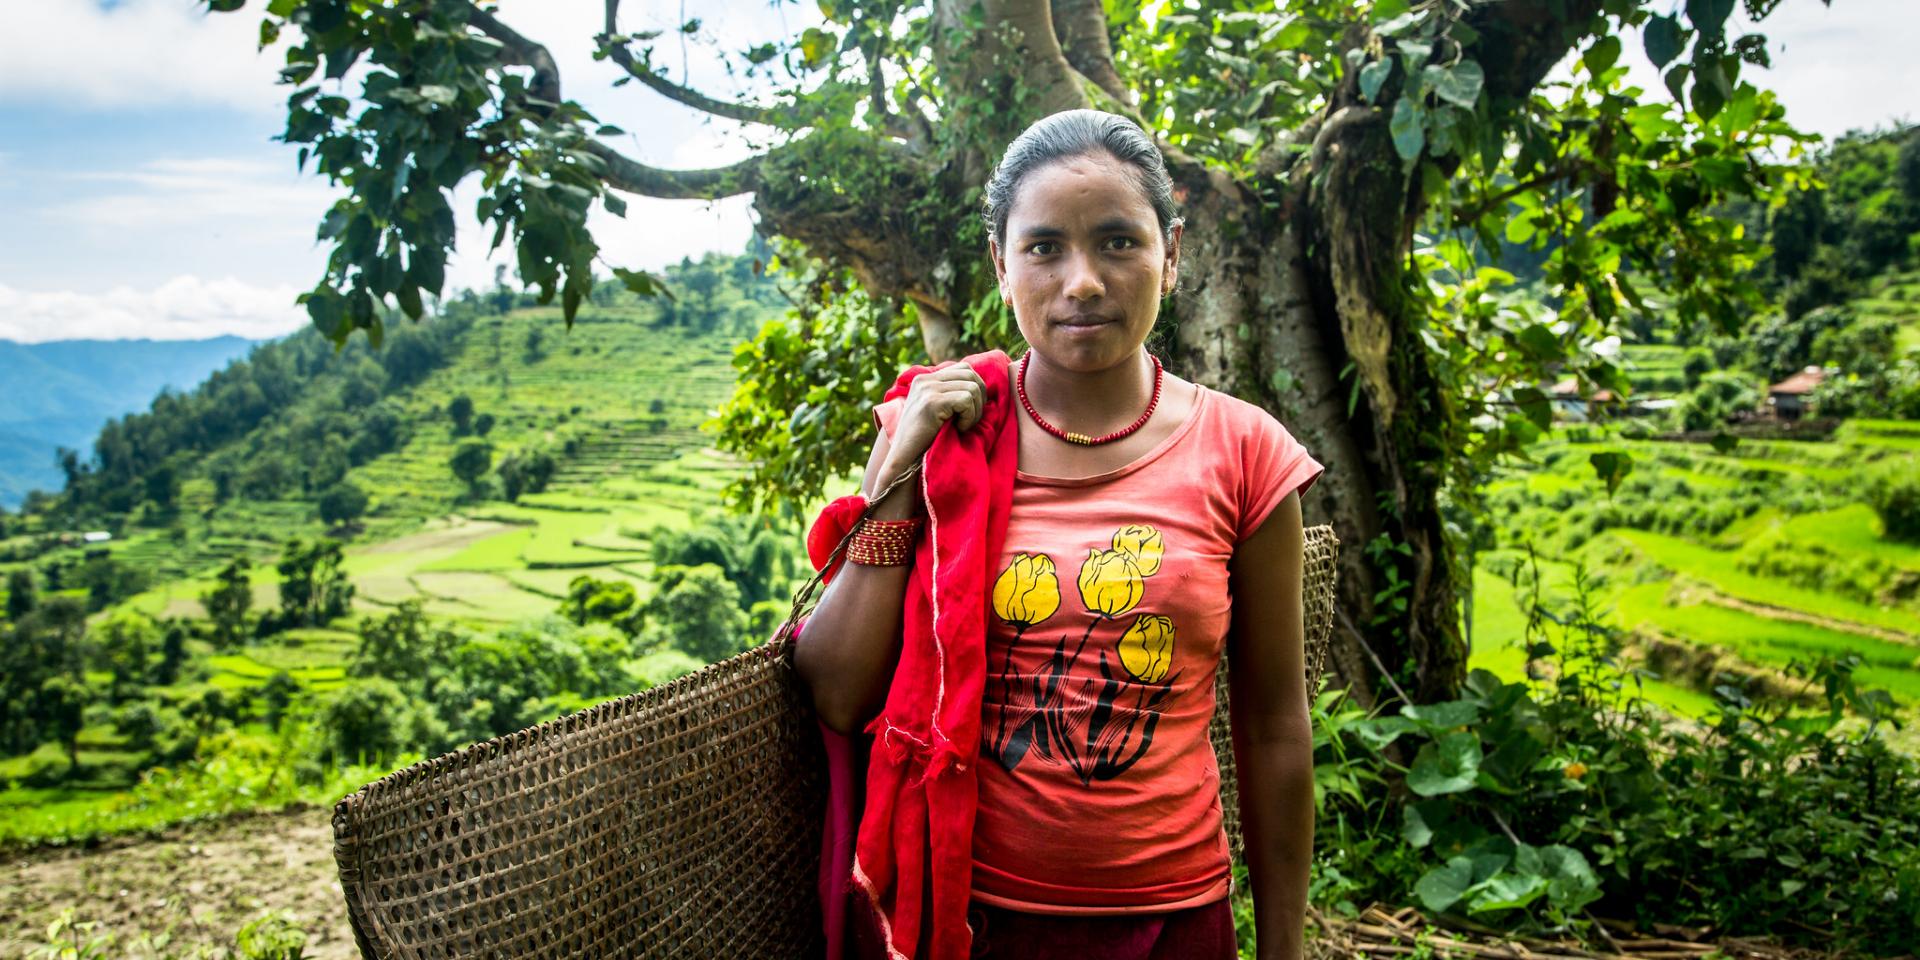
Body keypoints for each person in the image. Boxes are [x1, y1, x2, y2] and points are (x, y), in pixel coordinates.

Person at [794, 108, 1324, 960]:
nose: (1082, 280)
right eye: (1044, 248)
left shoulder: (1247, 451)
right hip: (970, 918)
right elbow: (837, 692)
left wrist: (1287, 947)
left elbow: (1272, 725)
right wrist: (899, 475)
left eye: (1118, 242)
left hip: (1176, 919)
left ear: (1172, 253)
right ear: (1002, 265)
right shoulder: (941, 434)